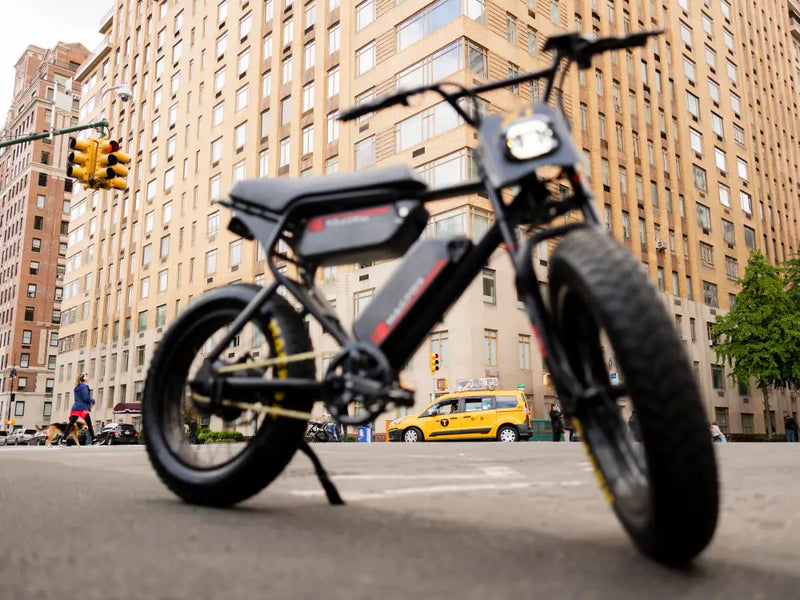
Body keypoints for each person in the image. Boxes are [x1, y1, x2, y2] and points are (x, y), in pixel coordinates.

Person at [62, 373, 95, 446]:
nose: (87, 377)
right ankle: (94, 440)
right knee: (89, 424)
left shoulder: (76, 388)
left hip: (75, 408)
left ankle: (63, 439)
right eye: (86, 376)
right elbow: (85, 398)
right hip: (82, 408)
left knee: (70, 424)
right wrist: (92, 400)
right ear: (83, 379)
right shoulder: (84, 387)